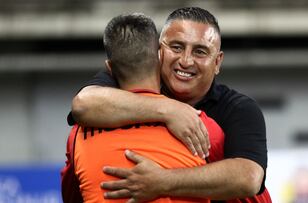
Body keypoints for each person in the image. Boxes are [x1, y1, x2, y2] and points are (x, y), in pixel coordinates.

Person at [69, 7, 272, 203]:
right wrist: (169, 110)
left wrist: (162, 181)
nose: (185, 61)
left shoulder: (239, 109)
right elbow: (83, 105)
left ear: (217, 62)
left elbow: (248, 178)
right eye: (176, 47)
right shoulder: (125, 76)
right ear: (158, 51)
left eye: (200, 51)